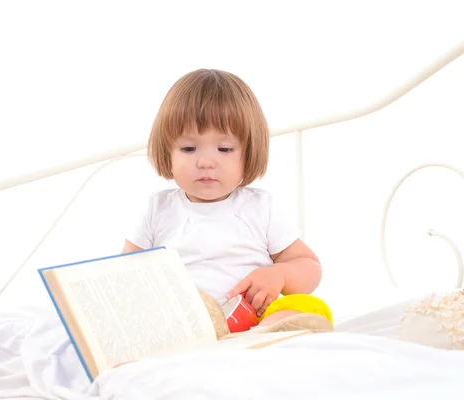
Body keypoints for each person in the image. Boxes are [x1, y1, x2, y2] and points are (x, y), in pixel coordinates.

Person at [123, 68, 333, 332]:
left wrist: (278, 275)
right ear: (168, 152)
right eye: (188, 148)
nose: (206, 162)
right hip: (185, 323)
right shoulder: (158, 210)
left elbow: (310, 268)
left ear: (249, 152)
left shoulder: (260, 208)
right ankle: (210, 335)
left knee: (305, 309)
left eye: (224, 149)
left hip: (253, 320)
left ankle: (268, 338)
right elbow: (124, 276)